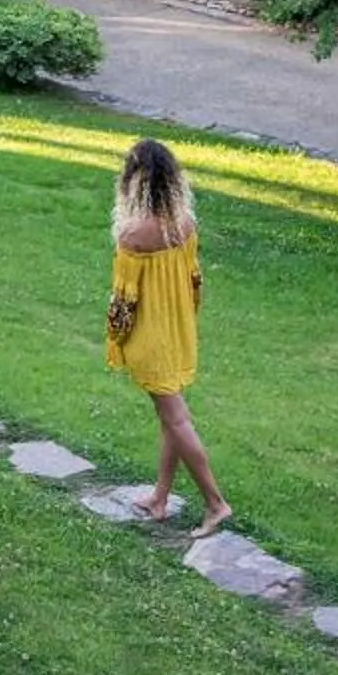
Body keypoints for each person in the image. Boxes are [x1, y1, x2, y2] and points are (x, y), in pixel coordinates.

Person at [103, 136, 231, 537]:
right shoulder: (184, 225)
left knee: (176, 419)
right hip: (178, 328)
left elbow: (124, 301)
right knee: (170, 419)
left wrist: (115, 340)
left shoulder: (133, 234)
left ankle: (215, 504)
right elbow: (195, 280)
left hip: (150, 337)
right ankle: (159, 498)